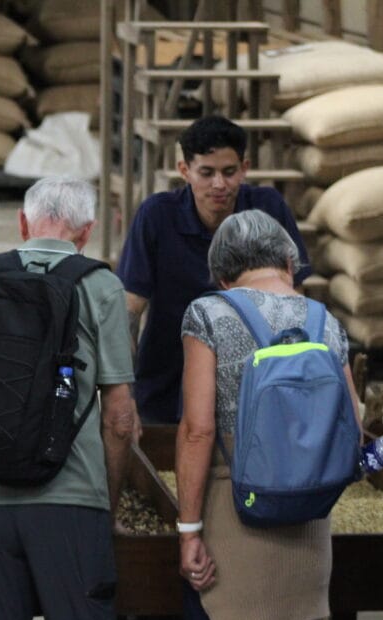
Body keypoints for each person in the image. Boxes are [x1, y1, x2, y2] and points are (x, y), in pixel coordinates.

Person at [0, 176, 140, 620]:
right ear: (86, 233)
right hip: (71, 501)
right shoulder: (100, 285)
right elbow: (120, 417)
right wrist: (109, 501)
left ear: (22, 222)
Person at [176, 209, 360, 620]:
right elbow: (354, 423)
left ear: (222, 273)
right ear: (287, 259)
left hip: (231, 522)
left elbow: (198, 430)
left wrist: (190, 530)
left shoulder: (208, 313)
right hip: (307, 528)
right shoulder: (326, 322)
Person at [117, 114, 311, 424]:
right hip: (166, 379)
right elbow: (129, 309)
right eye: (206, 173)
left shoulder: (268, 209)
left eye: (229, 172)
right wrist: (122, 394)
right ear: (185, 171)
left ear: (245, 169)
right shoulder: (156, 215)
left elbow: (295, 300)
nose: (219, 184)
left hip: (252, 379)